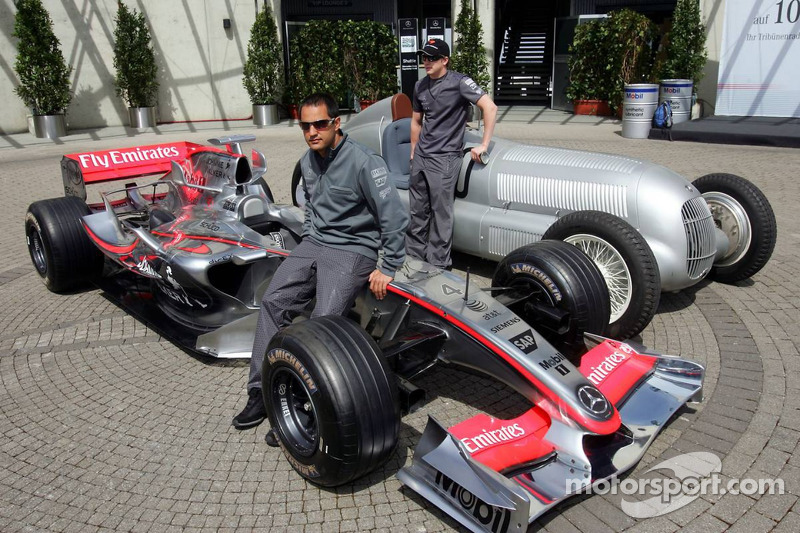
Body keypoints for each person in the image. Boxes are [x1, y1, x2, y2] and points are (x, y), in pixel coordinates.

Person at [232, 93, 408, 432]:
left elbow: (394, 217)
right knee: (273, 301)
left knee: (324, 320)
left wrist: (387, 266)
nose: (312, 131)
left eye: (320, 124)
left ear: (336, 122)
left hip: (354, 249)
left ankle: (302, 402)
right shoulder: (308, 161)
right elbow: (310, 206)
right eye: (306, 125)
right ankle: (259, 392)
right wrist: (311, 235)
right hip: (315, 244)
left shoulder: (365, 162)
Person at [407, 38, 498, 270]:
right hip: (421, 158)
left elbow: (489, 107)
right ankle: (413, 261)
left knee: (440, 216)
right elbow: (416, 121)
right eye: (424, 57)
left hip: (445, 158)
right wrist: (413, 152)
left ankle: (438, 267)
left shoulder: (460, 82)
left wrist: (484, 145)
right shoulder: (420, 86)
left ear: (445, 60)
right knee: (417, 213)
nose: (426, 62)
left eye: (432, 57)